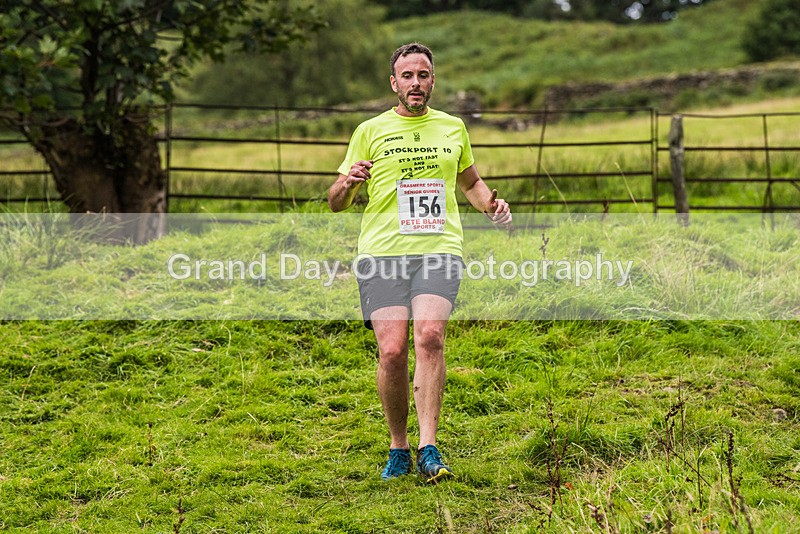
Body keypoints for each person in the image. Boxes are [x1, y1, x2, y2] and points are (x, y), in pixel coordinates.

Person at [328, 42, 511, 483]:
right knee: (391, 351)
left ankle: (430, 446)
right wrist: (349, 183)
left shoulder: (452, 128)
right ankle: (399, 448)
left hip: (438, 248)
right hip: (382, 251)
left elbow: (470, 180)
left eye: (423, 75)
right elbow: (335, 201)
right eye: (407, 76)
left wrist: (492, 206)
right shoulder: (370, 130)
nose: (416, 83)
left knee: (430, 335)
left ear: (433, 80)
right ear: (394, 83)